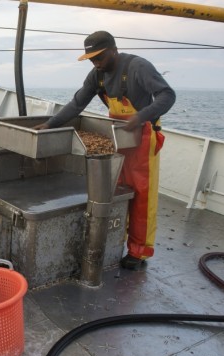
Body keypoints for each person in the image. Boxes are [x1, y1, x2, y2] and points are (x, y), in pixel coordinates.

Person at [35, 31, 176, 270]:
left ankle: (139, 252)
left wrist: (140, 117)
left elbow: (167, 95)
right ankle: (115, 239)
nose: (95, 62)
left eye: (98, 57)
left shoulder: (138, 67)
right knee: (116, 191)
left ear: (113, 50)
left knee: (142, 196)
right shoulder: (96, 75)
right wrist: (50, 125)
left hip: (142, 137)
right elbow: (77, 103)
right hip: (117, 137)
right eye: (91, 58)